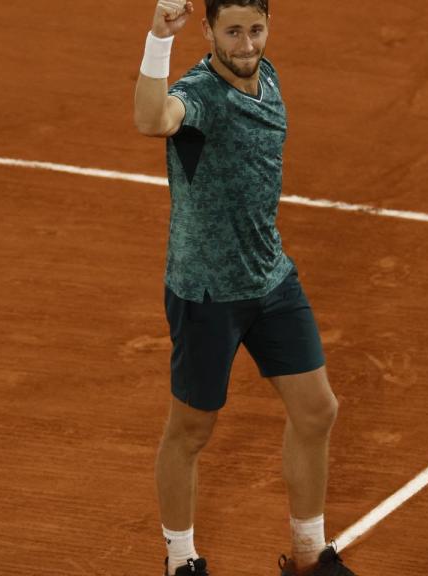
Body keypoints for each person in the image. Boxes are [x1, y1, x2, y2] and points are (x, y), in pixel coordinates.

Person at [133, 1, 359, 575]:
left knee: (316, 410)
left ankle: (310, 558)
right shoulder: (201, 93)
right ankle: (180, 563)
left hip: (270, 280)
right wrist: (158, 39)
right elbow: (152, 119)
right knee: (190, 430)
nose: (246, 44)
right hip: (207, 294)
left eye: (255, 30)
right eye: (232, 32)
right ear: (207, 31)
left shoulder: (269, 75)